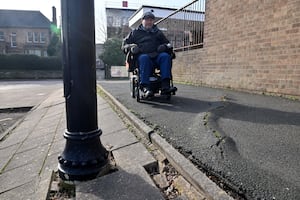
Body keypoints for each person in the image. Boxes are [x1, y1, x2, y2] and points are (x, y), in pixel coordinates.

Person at [122, 11, 173, 98]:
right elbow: (124, 46)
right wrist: (131, 47)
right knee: (144, 58)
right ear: (142, 21)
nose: (149, 22)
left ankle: (165, 86)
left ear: (153, 22)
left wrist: (164, 46)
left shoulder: (158, 32)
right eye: (147, 20)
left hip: (157, 56)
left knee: (165, 56)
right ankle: (146, 87)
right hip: (143, 56)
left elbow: (168, 44)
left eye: (151, 20)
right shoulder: (135, 33)